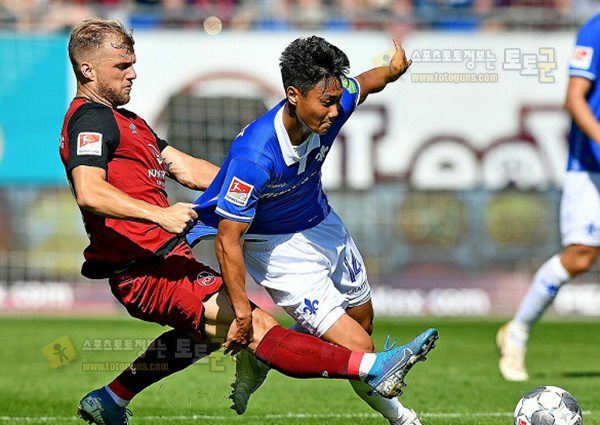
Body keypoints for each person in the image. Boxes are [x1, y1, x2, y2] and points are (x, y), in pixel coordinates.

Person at [61, 18, 439, 425]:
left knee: (202, 338)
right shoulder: (91, 120)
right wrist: (159, 213)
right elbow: (89, 191)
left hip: (168, 260)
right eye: (122, 66)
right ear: (88, 70)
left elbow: (188, 170)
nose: (133, 73)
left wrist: (248, 183)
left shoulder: (129, 122)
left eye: (132, 63)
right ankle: (374, 369)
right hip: (143, 270)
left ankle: (112, 399)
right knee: (255, 326)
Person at [187, 36, 436, 425]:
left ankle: (262, 354)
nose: (336, 111)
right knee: (362, 348)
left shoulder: (333, 98)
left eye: (337, 100)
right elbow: (227, 240)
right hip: (276, 249)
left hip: (323, 224)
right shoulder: (255, 155)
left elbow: (365, 83)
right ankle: (405, 420)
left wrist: (392, 70)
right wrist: (242, 315)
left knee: (364, 322)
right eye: (326, 103)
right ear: (293, 95)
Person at [496, 13, 600, 382]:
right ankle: (517, 332)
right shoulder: (596, 27)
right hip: (591, 166)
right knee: (580, 255)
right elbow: (575, 99)